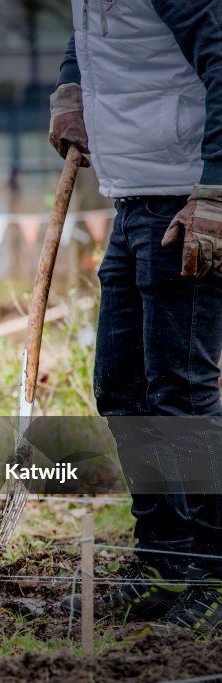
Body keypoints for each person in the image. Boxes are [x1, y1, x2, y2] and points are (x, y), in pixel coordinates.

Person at [50, 2, 222, 632]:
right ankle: (164, 563)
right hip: (134, 198)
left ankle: (213, 570)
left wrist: (216, 191)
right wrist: (73, 85)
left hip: (187, 199)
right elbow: (97, 34)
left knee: (180, 396)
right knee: (123, 390)